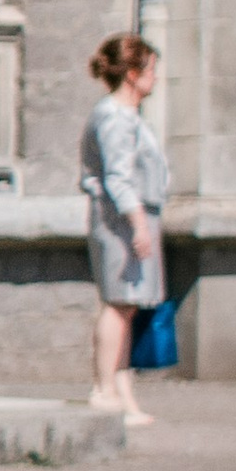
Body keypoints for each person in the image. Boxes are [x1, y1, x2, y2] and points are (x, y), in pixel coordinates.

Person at [82, 30, 167, 424]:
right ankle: (104, 390)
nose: (155, 77)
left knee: (127, 306)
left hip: (132, 217)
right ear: (132, 73)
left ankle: (123, 395)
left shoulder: (127, 116)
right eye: (150, 69)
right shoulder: (113, 116)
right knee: (118, 304)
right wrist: (138, 224)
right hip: (119, 220)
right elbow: (118, 177)